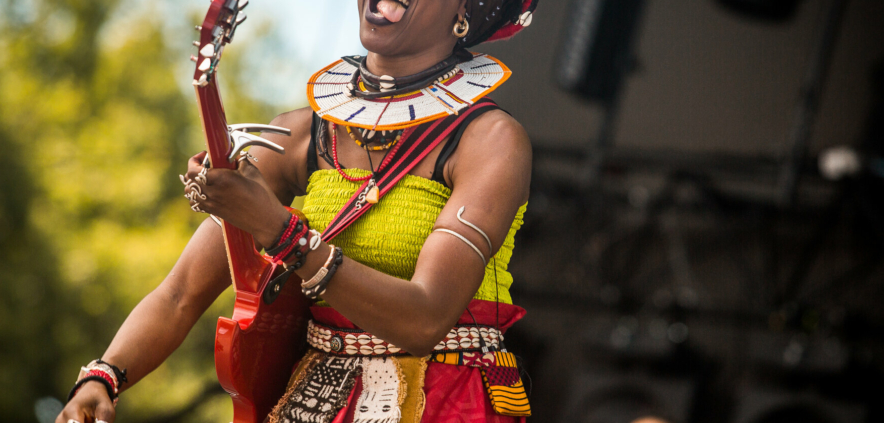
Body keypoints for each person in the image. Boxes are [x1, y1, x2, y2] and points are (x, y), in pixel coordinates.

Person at [57, 0, 539, 422]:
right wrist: (103, 377)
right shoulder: (300, 136)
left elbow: (425, 319)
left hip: (447, 401)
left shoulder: (491, 140)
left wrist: (279, 230)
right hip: (312, 399)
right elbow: (181, 292)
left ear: (464, 10)